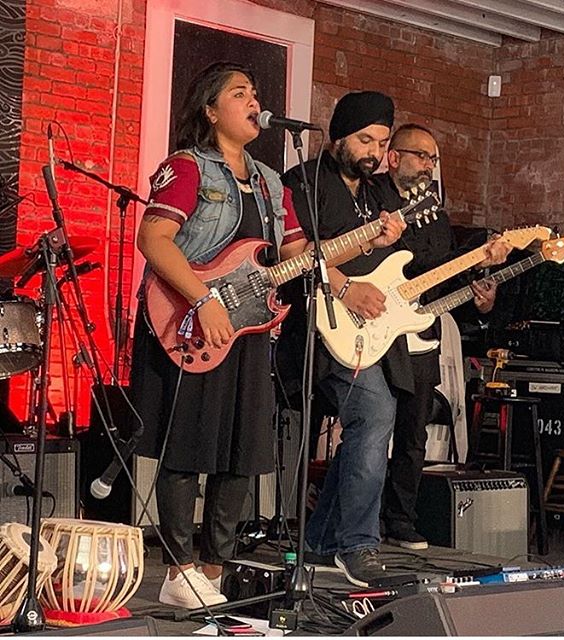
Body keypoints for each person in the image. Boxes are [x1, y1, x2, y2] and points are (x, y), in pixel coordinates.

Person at [130, 61, 308, 609]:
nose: (254, 101)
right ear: (210, 111)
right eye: (239, 93)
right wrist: (204, 299)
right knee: (185, 446)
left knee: (242, 450)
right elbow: (153, 238)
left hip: (248, 328)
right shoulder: (188, 168)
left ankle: (212, 566)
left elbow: (295, 255)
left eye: (255, 93)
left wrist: (355, 253)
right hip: (187, 319)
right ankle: (178, 567)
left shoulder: (270, 181)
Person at [278, 91, 409, 588]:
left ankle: (324, 540)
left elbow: (394, 266)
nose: (373, 151)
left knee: (372, 420)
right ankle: (356, 544)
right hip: (313, 326)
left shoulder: (379, 194)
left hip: (365, 333)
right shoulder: (303, 183)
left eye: (381, 141)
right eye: (364, 139)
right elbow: (295, 253)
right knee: (374, 414)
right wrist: (347, 286)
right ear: (337, 138)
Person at [371, 123, 511, 549]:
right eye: (421, 156)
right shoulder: (371, 198)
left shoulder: (436, 213)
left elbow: (442, 282)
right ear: (393, 157)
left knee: (413, 435)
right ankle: (359, 523)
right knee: (371, 432)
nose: (429, 166)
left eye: (434, 159)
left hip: (421, 330)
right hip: (376, 327)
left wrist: (480, 296)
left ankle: (400, 520)